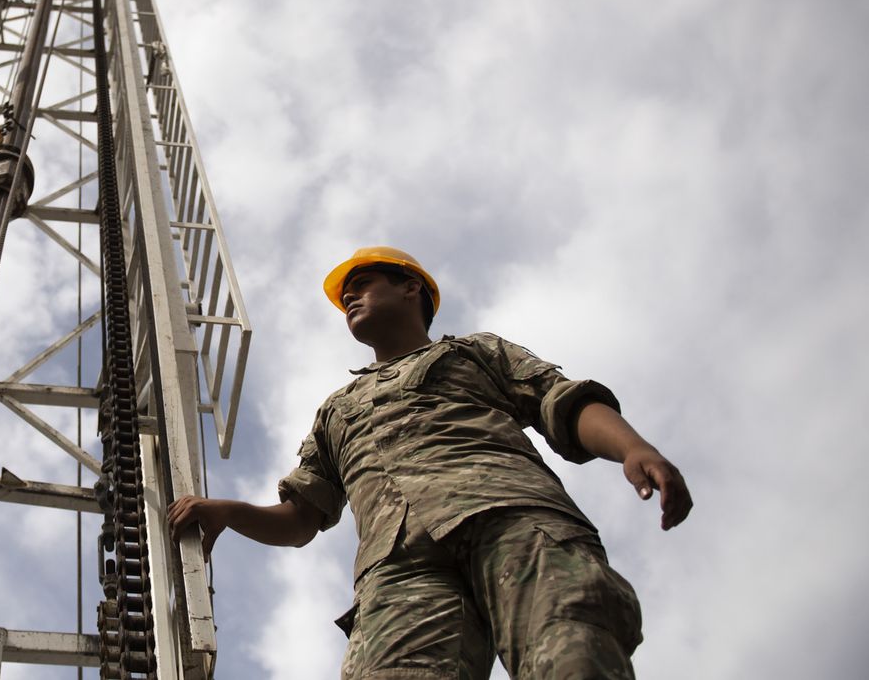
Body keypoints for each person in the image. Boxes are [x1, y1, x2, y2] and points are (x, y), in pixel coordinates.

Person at [168, 246, 692, 679]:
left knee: (573, 653)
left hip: (510, 518)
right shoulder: (336, 410)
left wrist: (634, 448)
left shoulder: (473, 352)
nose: (348, 296)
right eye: (346, 293)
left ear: (410, 287)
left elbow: (562, 402)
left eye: (364, 282)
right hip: (398, 568)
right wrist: (229, 513)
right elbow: (304, 517)